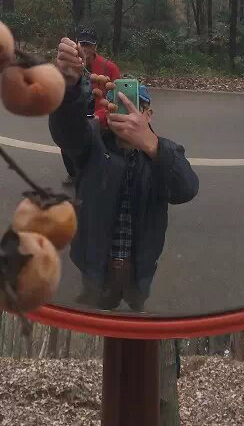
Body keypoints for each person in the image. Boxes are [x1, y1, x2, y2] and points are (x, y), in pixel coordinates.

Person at [50, 37, 199, 312]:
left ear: (148, 115)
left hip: (140, 269)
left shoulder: (164, 153)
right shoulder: (93, 142)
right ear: (107, 110)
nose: (126, 115)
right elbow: (66, 132)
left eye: (135, 107)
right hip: (93, 265)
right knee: (96, 304)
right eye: (117, 105)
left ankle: (134, 304)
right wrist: (69, 88)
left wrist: (152, 146)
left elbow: (186, 188)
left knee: (136, 304)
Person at [61, 28, 121, 186]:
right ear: (76, 45)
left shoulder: (109, 68)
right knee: (66, 139)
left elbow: (115, 100)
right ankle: (73, 174)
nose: (85, 49)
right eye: (83, 44)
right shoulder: (69, 66)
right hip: (78, 113)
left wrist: (98, 117)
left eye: (89, 45)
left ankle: (101, 174)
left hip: (100, 116)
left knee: (101, 147)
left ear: (95, 47)